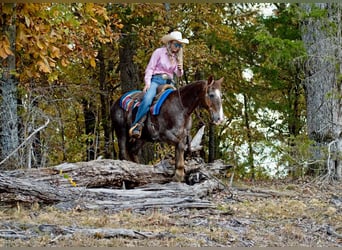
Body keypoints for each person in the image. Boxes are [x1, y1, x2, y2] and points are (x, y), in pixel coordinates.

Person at [129, 31, 189, 138]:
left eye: (179, 45)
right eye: (176, 44)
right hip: (156, 81)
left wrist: (180, 69)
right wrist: (147, 83)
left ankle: (177, 129)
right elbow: (150, 68)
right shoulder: (159, 52)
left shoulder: (176, 58)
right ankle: (137, 125)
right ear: (170, 43)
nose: (178, 47)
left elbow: (178, 74)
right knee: (148, 99)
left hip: (169, 83)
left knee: (178, 103)